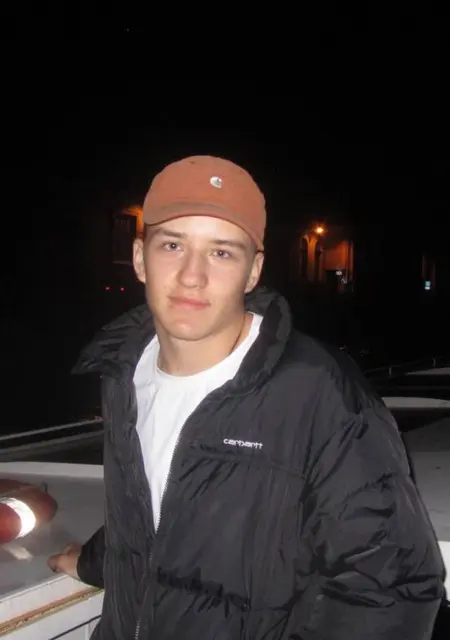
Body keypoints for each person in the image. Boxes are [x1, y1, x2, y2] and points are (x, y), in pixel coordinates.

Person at [48, 155, 445, 639]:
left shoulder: (317, 392)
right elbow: (153, 508)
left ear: (253, 272)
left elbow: (390, 588)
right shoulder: (122, 372)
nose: (192, 275)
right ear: (139, 257)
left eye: (221, 252)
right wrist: (96, 560)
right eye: (172, 245)